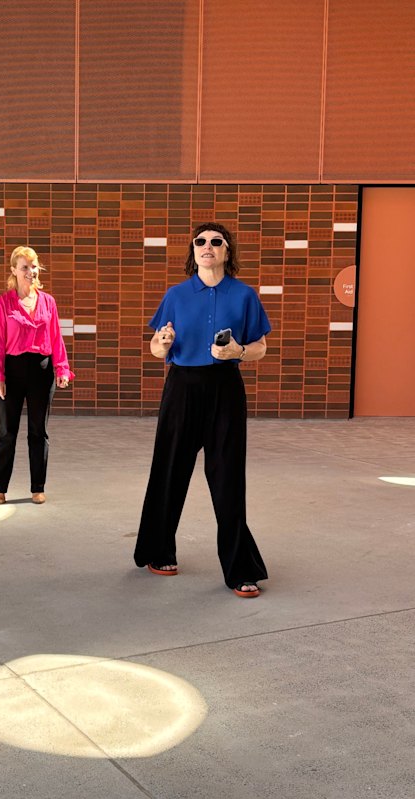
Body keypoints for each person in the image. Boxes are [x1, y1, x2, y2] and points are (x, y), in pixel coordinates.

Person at [134, 223, 270, 597]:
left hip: (225, 387)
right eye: (200, 241)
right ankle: (157, 550)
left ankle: (240, 567)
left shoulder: (243, 296)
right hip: (182, 388)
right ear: (192, 251)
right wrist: (161, 344)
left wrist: (238, 351)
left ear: (227, 251)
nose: (207, 247)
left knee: (228, 479)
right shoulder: (176, 295)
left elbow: (260, 346)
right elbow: (155, 348)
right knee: (170, 470)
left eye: (216, 242)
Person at [0, 245, 74, 505]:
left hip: (42, 371)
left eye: (34, 266)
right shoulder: (3, 303)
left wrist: (62, 368)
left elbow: (56, 337)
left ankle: (38, 487)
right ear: (14, 270)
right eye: (25, 267)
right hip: (11, 371)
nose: (31, 271)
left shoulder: (48, 302)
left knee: (39, 432)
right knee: (7, 432)